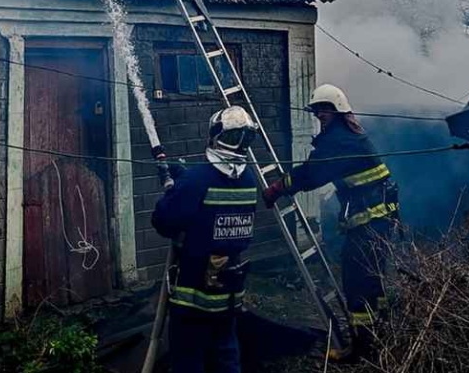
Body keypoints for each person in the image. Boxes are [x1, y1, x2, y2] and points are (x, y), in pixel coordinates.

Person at [261, 84, 398, 359]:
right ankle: (381, 338)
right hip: (379, 221)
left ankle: (361, 350)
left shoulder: (339, 141)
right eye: (317, 110)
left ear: (338, 111)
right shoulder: (350, 134)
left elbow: (312, 174)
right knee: (373, 281)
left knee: (358, 284)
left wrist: (278, 187)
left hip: (369, 223)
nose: (320, 114)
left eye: (325, 109)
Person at [152, 106, 260, 373]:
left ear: (215, 134)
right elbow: (214, 196)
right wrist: (182, 177)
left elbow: (164, 222)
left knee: (188, 356)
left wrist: (172, 193)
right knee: (226, 350)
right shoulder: (249, 178)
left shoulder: (197, 180)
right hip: (231, 288)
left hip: (194, 291)